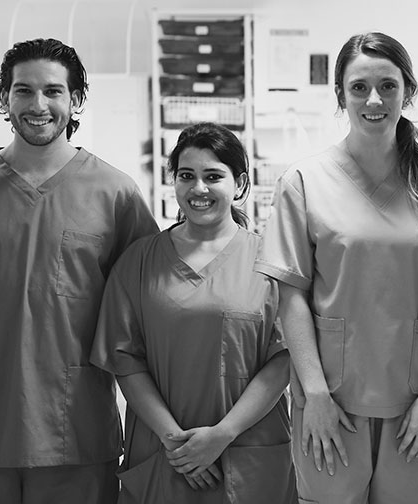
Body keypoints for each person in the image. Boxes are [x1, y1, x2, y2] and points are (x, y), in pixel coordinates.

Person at [0, 38, 159, 504]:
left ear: (75, 100)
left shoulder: (115, 194)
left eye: (54, 91)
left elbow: (141, 305)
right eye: (24, 90)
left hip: (74, 426)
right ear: (4, 99)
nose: (39, 105)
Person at [254, 32, 418, 503]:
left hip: (413, 398)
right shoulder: (305, 182)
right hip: (331, 401)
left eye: (388, 86)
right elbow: (290, 295)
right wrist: (313, 393)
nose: (373, 99)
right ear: (340, 95)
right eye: (359, 87)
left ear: (407, 92)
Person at [90, 122, 297, 504]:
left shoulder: (271, 261)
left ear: (240, 184)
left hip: (248, 451)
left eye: (213, 176)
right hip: (164, 453)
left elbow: (283, 359)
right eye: (187, 176)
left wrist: (221, 435)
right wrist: (178, 445)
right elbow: (125, 360)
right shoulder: (139, 262)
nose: (198, 188)